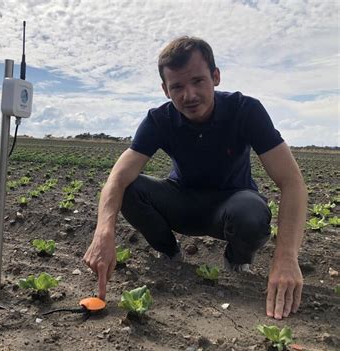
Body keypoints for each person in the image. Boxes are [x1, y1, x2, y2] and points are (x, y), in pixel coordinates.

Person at [83, 36, 307, 320]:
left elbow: (292, 182)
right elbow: (117, 177)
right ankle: (171, 256)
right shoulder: (159, 120)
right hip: (183, 202)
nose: (188, 95)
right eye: (177, 86)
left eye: (198, 81)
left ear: (215, 76)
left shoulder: (245, 110)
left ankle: (237, 261)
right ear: (165, 90)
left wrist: (287, 257)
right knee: (130, 188)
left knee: (251, 214)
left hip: (231, 205)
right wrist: (103, 232)